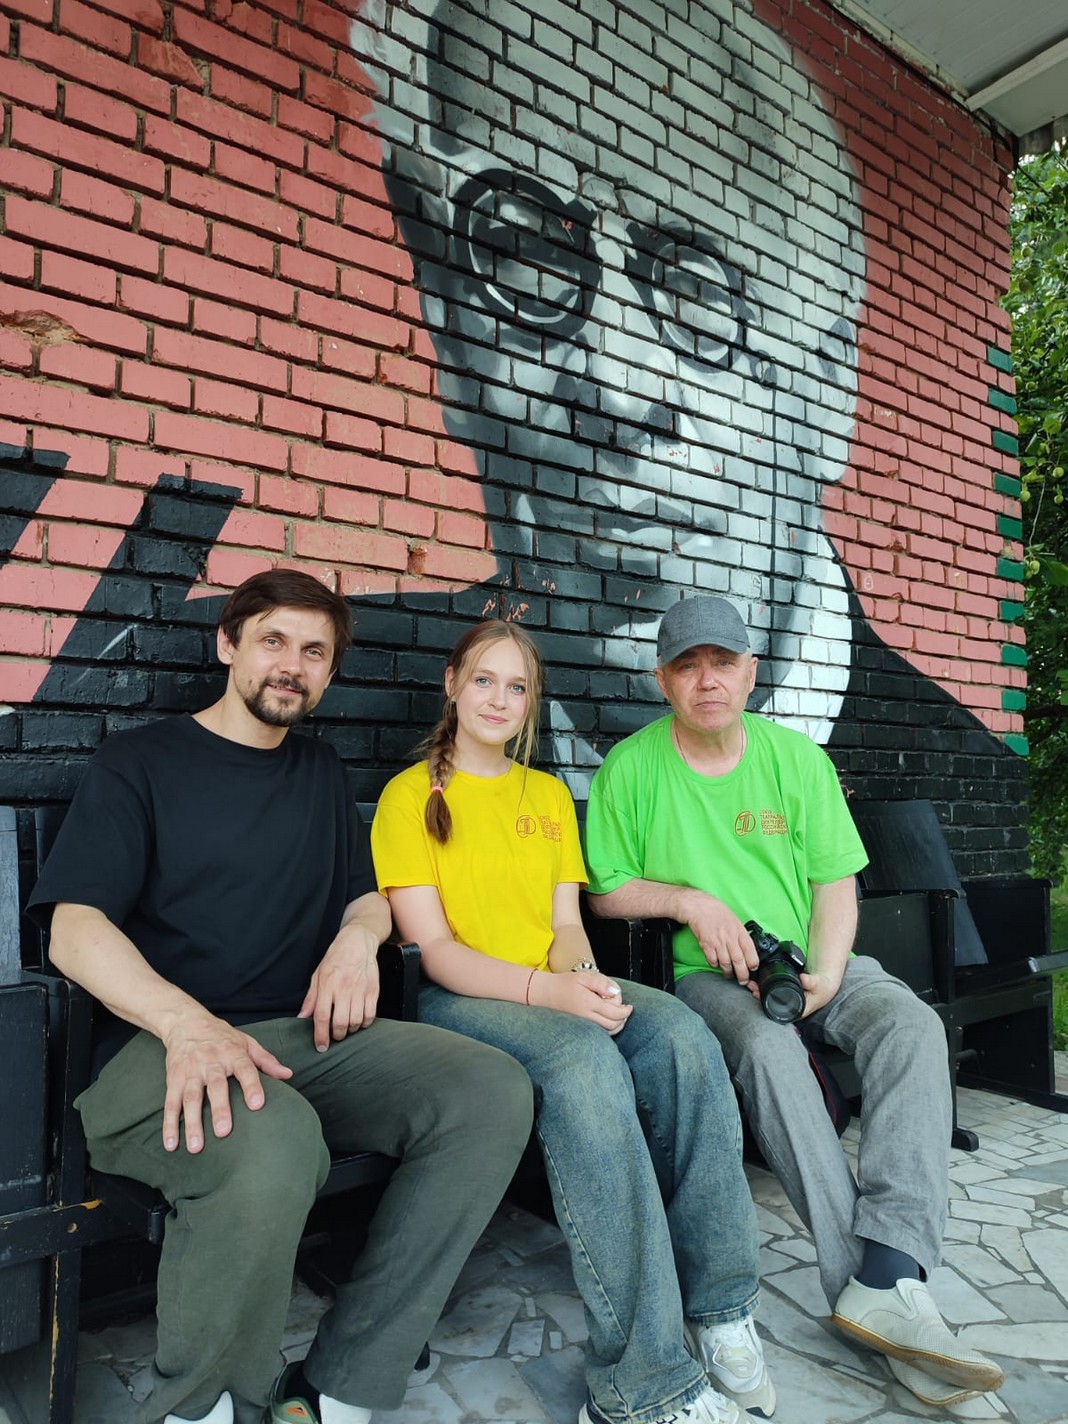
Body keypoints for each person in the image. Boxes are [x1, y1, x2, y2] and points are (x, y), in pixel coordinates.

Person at [27, 570, 534, 1424]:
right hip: (154, 1053)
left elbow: (367, 898)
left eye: (314, 652)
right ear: (227, 644)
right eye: (273, 641)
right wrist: (188, 1025)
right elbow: (72, 930)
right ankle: (203, 1406)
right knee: (273, 1139)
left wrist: (357, 939)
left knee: (490, 1089)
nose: (292, 665)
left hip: (301, 1040)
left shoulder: (321, 771)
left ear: (329, 672)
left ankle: (346, 1380)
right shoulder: (140, 763)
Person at [583, 594, 1007, 1409]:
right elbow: (606, 890)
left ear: (751, 672)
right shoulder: (631, 768)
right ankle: (873, 1292)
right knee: (771, 1050)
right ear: (662, 680)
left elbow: (835, 884)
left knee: (911, 1026)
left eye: (722, 663)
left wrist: (830, 976)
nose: (707, 680)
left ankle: (890, 1269)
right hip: (706, 976)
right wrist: (689, 902)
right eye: (687, 666)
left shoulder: (797, 760)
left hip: (813, 958)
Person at [370, 619, 773, 1424]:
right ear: (453, 685)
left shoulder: (548, 796)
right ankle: (641, 1386)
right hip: (461, 1001)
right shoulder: (409, 797)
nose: (499, 699)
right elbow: (435, 952)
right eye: (484, 680)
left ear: (531, 702)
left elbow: (564, 924)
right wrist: (550, 996)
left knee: (682, 1038)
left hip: (551, 984)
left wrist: (583, 979)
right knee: (586, 1065)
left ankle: (721, 1307)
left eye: (517, 687)